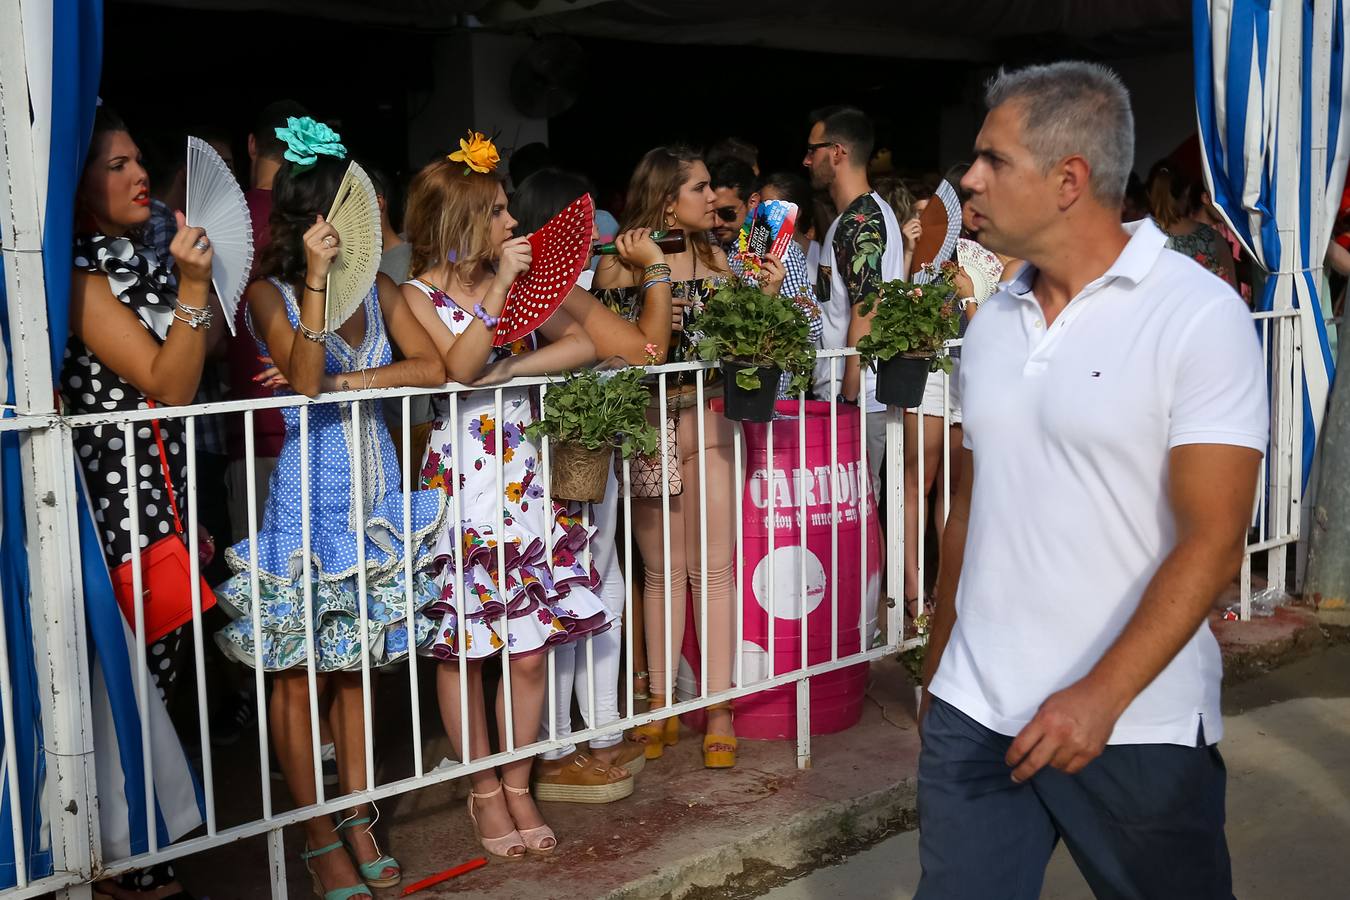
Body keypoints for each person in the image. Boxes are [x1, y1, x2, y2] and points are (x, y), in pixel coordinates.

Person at [918, 61, 1266, 899]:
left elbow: (1214, 543)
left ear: (1069, 179)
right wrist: (938, 670)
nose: (969, 178)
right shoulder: (994, 321)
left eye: (992, 159)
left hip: (1135, 723)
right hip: (976, 714)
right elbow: (971, 508)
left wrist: (1100, 698)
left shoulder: (1197, 315)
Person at [212, 119, 448, 900]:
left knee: (356, 671)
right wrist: (315, 282)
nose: (371, 221)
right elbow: (304, 374)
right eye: (358, 206)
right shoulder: (266, 294)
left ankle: (356, 814)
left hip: (375, 499)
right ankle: (315, 833)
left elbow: (432, 366)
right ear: (319, 219)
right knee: (297, 674)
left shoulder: (381, 292)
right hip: (307, 505)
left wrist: (357, 385)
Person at [399, 137, 608, 859]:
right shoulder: (413, 295)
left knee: (526, 652)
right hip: (457, 486)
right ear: (460, 218)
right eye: (496, 212)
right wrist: (490, 309)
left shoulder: (515, 283)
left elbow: (585, 343)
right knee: (464, 649)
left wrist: (510, 368)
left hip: (523, 480)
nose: (512, 225)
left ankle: (518, 783)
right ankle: (483, 790)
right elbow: (453, 368)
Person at [65, 105, 213, 900]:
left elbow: (199, 357)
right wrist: (193, 285)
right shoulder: (78, 275)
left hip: (167, 495)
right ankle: (123, 858)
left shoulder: (138, 257)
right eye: (115, 164)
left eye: (137, 159)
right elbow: (169, 380)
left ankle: (146, 844)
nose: (138, 173)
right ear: (78, 183)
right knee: (129, 681)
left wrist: (199, 282)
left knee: (164, 673)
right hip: (116, 505)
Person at [508, 166, 675, 800]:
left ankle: (599, 732)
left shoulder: (544, 287)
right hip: (559, 461)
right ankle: (558, 748)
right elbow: (647, 351)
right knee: (565, 595)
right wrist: (656, 270)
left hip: (570, 455)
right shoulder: (549, 292)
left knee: (597, 586)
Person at [592, 146, 741, 769]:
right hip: (650, 424)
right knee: (660, 571)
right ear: (666, 199)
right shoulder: (622, 263)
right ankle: (660, 706)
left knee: (712, 568)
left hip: (709, 420)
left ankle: (720, 709)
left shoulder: (718, 258)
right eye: (701, 189)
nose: (714, 199)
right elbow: (622, 351)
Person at [802, 106, 906, 486]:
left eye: (813, 150)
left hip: (857, 400)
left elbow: (868, 306)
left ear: (838, 152)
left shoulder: (860, 221)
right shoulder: (866, 215)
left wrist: (848, 396)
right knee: (859, 512)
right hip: (858, 397)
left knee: (857, 513)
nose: (807, 160)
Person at [709, 158, 823, 395]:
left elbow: (811, 326)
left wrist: (768, 302)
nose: (718, 222)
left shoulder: (779, 249)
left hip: (771, 397)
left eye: (727, 213)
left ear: (752, 202)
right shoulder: (720, 245)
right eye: (712, 214)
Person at [1145, 159, 1238, 287]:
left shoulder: (1140, 239)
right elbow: (1231, 295)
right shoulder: (1213, 238)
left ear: (1149, 194)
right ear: (1187, 192)